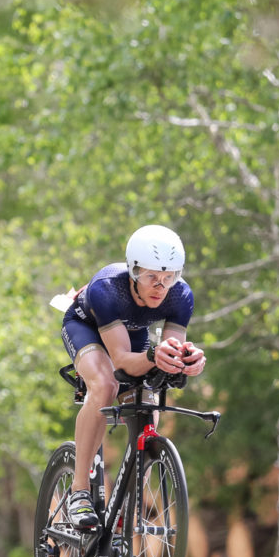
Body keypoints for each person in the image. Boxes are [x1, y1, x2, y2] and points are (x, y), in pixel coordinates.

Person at [60, 224, 207, 531]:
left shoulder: (181, 296)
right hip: (87, 328)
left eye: (169, 277)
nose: (160, 286)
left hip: (134, 335)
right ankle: (79, 492)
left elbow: (171, 349)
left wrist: (186, 361)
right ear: (133, 271)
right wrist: (155, 356)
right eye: (152, 276)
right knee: (106, 384)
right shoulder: (107, 288)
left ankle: (128, 506)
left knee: (147, 403)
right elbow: (123, 361)